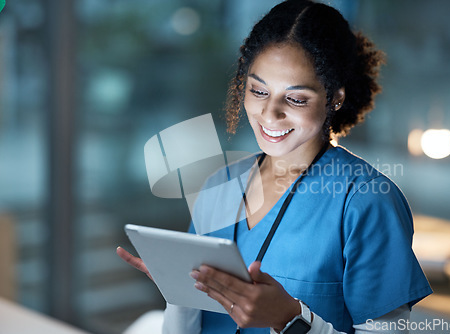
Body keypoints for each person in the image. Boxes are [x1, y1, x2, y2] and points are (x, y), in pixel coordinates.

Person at [117, 0, 433, 333]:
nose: (270, 113)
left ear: (334, 98)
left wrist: (291, 319)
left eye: (296, 98)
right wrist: (178, 289)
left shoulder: (366, 202)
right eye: (258, 90)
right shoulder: (218, 187)